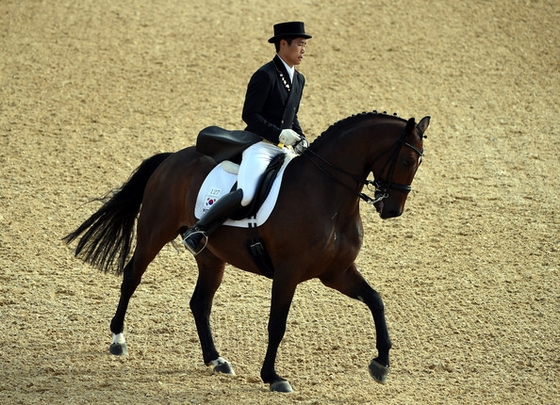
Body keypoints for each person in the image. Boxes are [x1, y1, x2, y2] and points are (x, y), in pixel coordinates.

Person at [184, 21, 312, 254]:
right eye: (300, 44)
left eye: (305, 45)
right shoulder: (265, 75)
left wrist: (300, 138)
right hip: (259, 145)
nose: (304, 50)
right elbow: (250, 115)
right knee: (247, 194)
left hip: (284, 148)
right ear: (284, 44)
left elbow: (291, 116)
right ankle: (199, 229)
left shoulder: (299, 79)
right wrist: (278, 133)